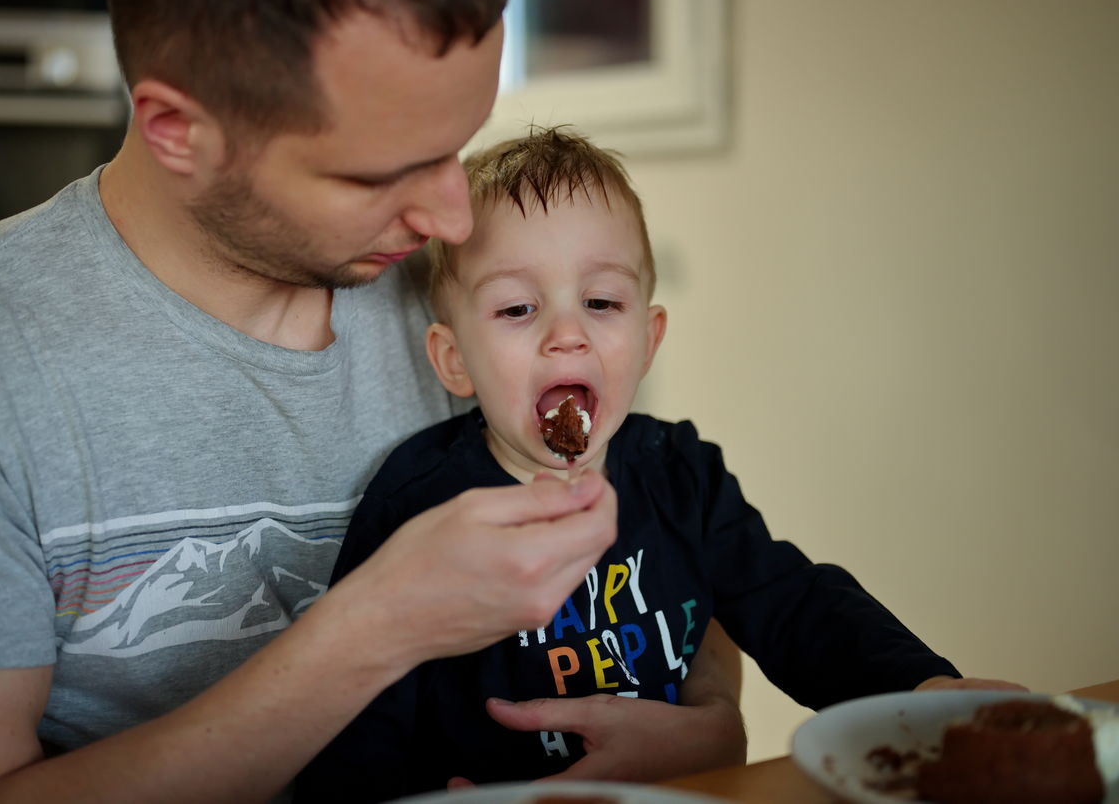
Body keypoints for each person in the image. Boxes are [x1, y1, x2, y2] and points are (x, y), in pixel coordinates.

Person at [0, 0, 762, 803]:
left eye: (459, 142)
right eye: (382, 169)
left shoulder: (490, 298)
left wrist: (705, 720)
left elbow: (675, 538)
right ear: (179, 132)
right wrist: (376, 628)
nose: (451, 211)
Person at [294, 127, 1027, 802]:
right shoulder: (419, 502)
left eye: (602, 301)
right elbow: (354, 707)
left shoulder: (679, 472)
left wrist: (920, 688)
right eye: (518, 309)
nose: (567, 334)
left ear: (649, 339)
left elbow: (796, 604)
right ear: (454, 361)